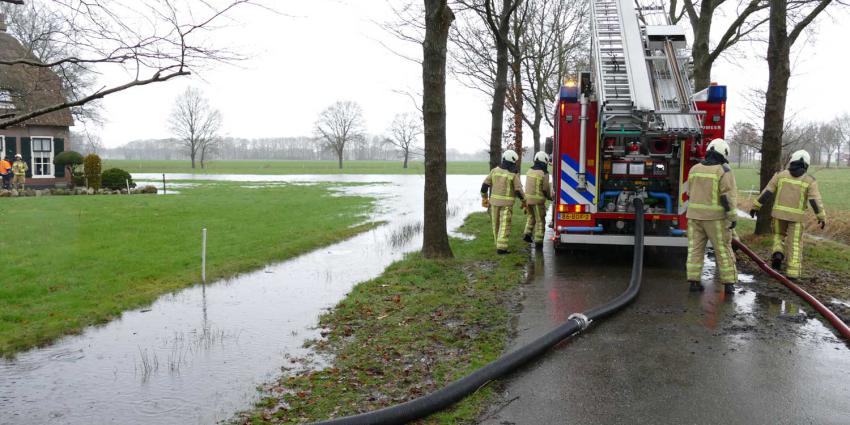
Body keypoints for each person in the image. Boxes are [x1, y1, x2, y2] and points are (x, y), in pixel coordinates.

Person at [749, 150, 825, 280]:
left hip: (778, 215)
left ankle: (778, 253)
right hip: (797, 218)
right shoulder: (809, 180)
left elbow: (767, 192)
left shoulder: (780, 175)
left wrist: (755, 206)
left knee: (778, 236)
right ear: (807, 164)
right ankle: (793, 273)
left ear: (792, 160)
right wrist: (821, 217)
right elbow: (814, 201)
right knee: (794, 243)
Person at [685, 138, 738, 294]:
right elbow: (727, 197)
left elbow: (689, 193)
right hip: (715, 219)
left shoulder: (694, 169)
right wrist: (732, 217)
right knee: (723, 249)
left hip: (694, 218)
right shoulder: (724, 171)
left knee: (695, 249)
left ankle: (693, 282)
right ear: (724, 153)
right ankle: (729, 284)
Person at [481, 150, 526, 254]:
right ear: (512, 160)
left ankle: (498, 244)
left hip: (494, 204)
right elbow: (518, 190)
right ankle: (501, 248)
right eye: (515, 162)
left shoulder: (494, 171)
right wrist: (524, 200)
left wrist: (484, 197)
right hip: (506, 205)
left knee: (495, 224)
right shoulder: (513, 174)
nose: (515, 164)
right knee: (505, 225)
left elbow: (484, 185)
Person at [522, 151, 553, 248]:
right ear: (544, 161)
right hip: (538, 201)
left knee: (531, 217)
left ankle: (527, 234)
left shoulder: (529, 171)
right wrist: (550, 197)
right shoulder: (544, 173)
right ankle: (539, 241)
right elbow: (545, 189)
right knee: (540, 220)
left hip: (528, 200)